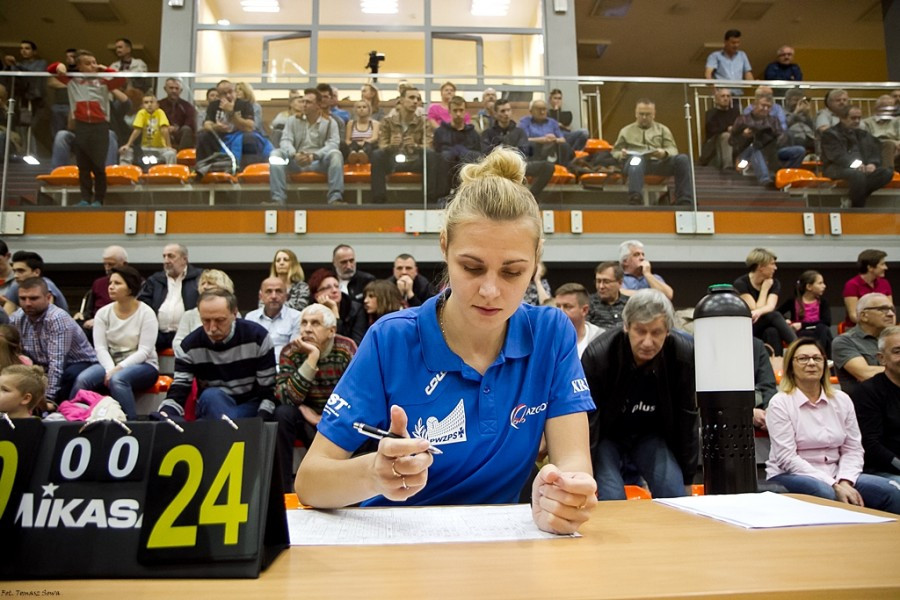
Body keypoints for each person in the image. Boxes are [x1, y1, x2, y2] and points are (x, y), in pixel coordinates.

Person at [294, 148, 598, 535]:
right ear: (444, 247)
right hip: (395, 547)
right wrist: (373, 473)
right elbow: (310, 481)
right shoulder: (392, 340)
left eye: (513, 272)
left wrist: (562, 495)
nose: (490, 290)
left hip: (496, 548)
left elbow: (574, 464)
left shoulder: (552, 333)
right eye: (471, 268)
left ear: (536, 260)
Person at [582, 289, 698, 500]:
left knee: (674, 492)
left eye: (656, 333)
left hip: (651, 435)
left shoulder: (683, 354)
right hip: (606, 435)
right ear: (626, 327)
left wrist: (688, 479)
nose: (647, 342)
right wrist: (585, 475)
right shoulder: (599, 354)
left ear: (668, 331)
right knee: (611, 497)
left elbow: (687, 418)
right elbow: (588, 420)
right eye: (640, 331)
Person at [766, 338, 900, 514]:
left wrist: (845, 480)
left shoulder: (841, 399)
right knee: (824, 492)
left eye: (817, 358)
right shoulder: (780, 403)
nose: (811, 363)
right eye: (803, 358)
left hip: (838, 473)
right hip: (792, 474)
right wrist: (833, 484)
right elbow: (787, 458)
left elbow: (853, 449)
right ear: (791, 366)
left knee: (892, 491)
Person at [274, 304, 358, 492]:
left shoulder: (346, 349)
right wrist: (312, 357)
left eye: (315, 323)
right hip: (305, 420)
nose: (307, 329)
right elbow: (286, 398)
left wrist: (329, 415)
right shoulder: (290, 351)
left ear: (331, 331)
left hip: (340, 418)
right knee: (283, 413)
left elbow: (356, 393)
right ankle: (284, 491)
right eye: (304, 323)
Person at [157, 290, 276, 421]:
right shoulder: (189, 346)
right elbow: (179, 389)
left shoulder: (258, 337)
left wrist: (260, 422)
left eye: (220, 320)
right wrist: (165, 412)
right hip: (213, 405)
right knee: (211, 396)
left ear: (235, 314)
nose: (212, 328)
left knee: (206, 420)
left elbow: (268, 392)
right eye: (206, 320)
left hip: (250, 407)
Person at [70, 266, 159, 419]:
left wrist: (117, 369)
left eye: (117, 283)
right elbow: (100, 348)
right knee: (82, 379)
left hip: (144, 365)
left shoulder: (147, 313)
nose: (111, 287)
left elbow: (144, 351)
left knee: (118, 380)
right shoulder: (103, 313)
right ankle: (73, 419)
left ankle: (131, 424)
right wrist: (110, 369)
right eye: (110, 283)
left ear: (130, 287)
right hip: (109, 363)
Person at [47, 50, 125, 207]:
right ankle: (84, 199)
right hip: (81, 126)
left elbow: (121, 79)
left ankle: (99, 200)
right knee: (83, 166)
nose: (93, 66)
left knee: (98, 167)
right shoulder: (72, 81)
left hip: (100, 126)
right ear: (80, 66)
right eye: (88, 64)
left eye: (94, 62)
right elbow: (51, 69)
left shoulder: (103, 81)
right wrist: (60, 65)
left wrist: (106, 69)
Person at [10, 277, 97, 406]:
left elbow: (57, 361)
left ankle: (61, 409)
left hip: (78, 362)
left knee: (68, 375)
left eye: (34, 298)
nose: (27, 303)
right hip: (42, 364)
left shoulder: (57, 318)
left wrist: (48, 400)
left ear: (48, 297)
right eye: (23, 298)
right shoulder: (17, 317)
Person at [269, 87, 344, 205]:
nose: (304, 105)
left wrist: (314, 156)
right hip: (296, 161)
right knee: (275, 154)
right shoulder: (292, 120)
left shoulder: (330, 122)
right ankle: (278, 198)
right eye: (303, 101)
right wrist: (294, 154)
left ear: (318, 105)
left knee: (336, 154)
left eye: (308, 102)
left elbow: (333, 144)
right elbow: (285, 141)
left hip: (318, 162)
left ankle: (335, 198)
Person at [612, 99, 694, 206]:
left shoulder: (663, 130)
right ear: (636, 114)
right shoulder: (626, 131)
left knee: (683, 159)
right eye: (641, 114)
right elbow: (615, 151)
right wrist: (621, 154)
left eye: (648, 114)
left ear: (654, 114)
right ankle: (635, 197)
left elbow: (673, 150)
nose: (644, 117)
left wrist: (664, 153)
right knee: (637, 160)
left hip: (658, 163)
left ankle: (685, 199)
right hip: (634, 164)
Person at [371, 86, 439, 204]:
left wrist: (416, 146)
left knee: (432, 156)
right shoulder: (388, 121)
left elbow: (428, 146)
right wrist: (391, 145)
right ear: (401, 100)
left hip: (415, 160)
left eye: (417, 99)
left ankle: (429, 200)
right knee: (377, 155)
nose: (415, 101)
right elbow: (382, 145)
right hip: (393, 160)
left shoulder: (423, 122)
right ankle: (379, 199)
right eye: (411, 97)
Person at [821, 105, 894, 209]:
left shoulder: (864, 134)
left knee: (887, 173)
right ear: (842, 118)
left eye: (859, 118)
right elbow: (837, 156)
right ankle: (857, 208)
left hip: (861, 167)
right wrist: (857, 165)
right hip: (835, 167)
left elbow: (874, 151)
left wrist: (872, 164)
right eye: (853, 118)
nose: (857, 121)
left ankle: (851, 199)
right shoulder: (830, 134)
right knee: (858, 175)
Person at [481, 98, 555, 200]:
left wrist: (502, 148)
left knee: (548, 166)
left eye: (508, 110)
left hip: (518, 165)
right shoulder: (488, 133)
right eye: (503, 111)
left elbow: (523, 151)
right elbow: (486, 154)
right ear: (496, 114)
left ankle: (530, 197)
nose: (506, 113)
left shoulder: (520, 132)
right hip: (497, 168)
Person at [852, 326, 900, 483]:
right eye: (897, 351)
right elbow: (871, 444)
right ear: (881, 358)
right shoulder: (867, 392)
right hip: (882, 470)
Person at [138, 243, 202, 350]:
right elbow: (142, 304)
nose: (166, 261)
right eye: (164, 256)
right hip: (159, 336)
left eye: (171, 256)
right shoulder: (155, 280)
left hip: (189, 334)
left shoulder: (199, 278)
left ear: (184, 259)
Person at [730, 93, 804, 186]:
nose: (765, 109)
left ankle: (784, 176)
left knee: (799, 150)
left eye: (768, 107)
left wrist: (777, 137)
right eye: (763, 105)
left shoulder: (773, 120)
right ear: (755, 105)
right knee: (755, 148)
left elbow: (781, 136)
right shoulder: (743, 119)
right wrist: (744, 136)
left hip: (771, 151)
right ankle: (765, 179)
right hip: (746, 155)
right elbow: (731, 141)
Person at [733, 247, 796, 355]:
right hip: (748, 325)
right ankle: (799, 346)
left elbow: (770, 306)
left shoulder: (774, 283)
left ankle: (775, 364)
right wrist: (764, 289)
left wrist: (759, 312)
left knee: (772, 332)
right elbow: (754, 309)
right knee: (774, 315)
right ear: (761, 267)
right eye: (772, 264)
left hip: (763, 323)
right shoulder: (741, 283)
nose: (775, 268)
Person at [832, 293, 895, 398]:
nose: (891, 314)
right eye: (883, 309)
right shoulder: (844, 341)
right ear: (864, 316)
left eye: (892, 309)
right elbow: (865, 373)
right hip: (866, 408)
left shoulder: (896, 338)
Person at [196, 79, 272, 166]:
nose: (228, 96)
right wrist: (216, 127)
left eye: (230, 92)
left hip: (240, 135)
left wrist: (231, 113)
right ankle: (205, 167)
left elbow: (250, 127)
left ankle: (242, 169)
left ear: (235, 92)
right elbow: (207, 124)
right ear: (219, 96)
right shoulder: (214, 105)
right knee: (203, 136)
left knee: (250, 138)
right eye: (224, 94)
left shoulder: (245, 104)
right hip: (221, 136)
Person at [433, 96, 483, 198]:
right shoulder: (440, 132)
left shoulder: (474, 134)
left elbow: (479, 156)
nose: (458, 114)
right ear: (449, 112)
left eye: (461, 110)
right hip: (445, 177)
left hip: (467, 181)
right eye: (455, 110)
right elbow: (436, 155)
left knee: (471, 156)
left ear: (465, 112)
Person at [172, 269, 234, 351]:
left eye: (210, 283)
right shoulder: (189, 315)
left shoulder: (232, 313)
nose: (204, 287)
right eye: (202, 283)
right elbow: (177, 344)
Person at [244, 276, 302, 362]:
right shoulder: (250, 318)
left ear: (286, 296)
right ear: (261, 296)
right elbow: (248, 350)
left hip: (284, 368)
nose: (274, 296)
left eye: (278, 291)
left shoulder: (297, 317)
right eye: (269, 291)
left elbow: (294, 351)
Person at [74, 245, 128, 335]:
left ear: (124, 264)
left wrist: (100, 322)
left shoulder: (135, 283)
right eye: (105, 264)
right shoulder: (98, 283)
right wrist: (82, 316)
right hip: (93, 325)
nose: (107, 268)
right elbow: (89, 311)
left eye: (111, 264)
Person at [308, 268, 367, 347]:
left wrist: (334, 311)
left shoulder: (355, 309)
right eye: (328, 288)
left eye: (337, 286)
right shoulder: (310, 313)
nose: (334, 290)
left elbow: (355, 345)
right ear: (317, 295)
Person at [779, 270, 833, 355]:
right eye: (820, 283)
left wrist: (803, 325)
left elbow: (826, 321)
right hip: (801, 332)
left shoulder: (823, 302)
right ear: (809, 287)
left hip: (818, 330)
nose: (824, 286)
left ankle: (821, 355)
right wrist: (787, 321)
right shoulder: (793, 300)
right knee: (805, 334)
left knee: (823, 329)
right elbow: (778, 313)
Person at [118, 91, 177, 166]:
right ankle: (125, 174)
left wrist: (169, 146)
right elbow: (137, 130)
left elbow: (164, 130)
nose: (149, 104)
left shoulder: (160, 113)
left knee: (171, 154)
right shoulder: (141, 113)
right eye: (146, 102)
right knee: (126, 152)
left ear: (157, 105)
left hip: (160, 148)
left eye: (152, 102)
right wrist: (128, 145)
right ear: (142, 106)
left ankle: (169, 175)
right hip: (144, 149)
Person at [3, 250, 69, 314]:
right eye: (14, 271)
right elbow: (6, 316)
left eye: (21, 271)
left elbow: (47, 317)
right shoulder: (16, 285)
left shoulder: (46, 285)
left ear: (36, 272)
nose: (16, 276)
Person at [843, 249, 892, 328]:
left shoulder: (885, 283)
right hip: (858, 329)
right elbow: (853, 315)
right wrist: (874, 323)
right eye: (882, 264)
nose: (886, 268)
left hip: (882, 327)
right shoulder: (852, 285)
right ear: (870, 268)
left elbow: (890, 309)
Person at [555, 283, 603, 358]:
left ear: (584, 310)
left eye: (567, 307)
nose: (560, 312)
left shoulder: (600, 339)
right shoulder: (548, 338)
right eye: (558, 306)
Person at [519, 99, 573, 165]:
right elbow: (523, 139)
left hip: (552, 149)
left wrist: (554, 139)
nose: (542, 112)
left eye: (544, 109)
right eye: (539, 109)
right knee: (530, 145)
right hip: (535, 150)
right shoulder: (525, 121)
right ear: (531, 111)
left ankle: (565, 168)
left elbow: (562, 139)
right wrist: (542, 139)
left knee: (564, 146)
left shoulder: (553, 122)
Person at [699, 88, 740, 170]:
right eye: (723, 96)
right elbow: (712, 130)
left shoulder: (735, 112)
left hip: (733, 139)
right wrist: (727, 128)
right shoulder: (711, 113)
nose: (725, 98)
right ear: (717, 99)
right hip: (715, 141)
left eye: (728, 96)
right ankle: (728, 167)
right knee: (726, 136)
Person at [704, 29, 754, 94]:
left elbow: (748, 73)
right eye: (733, 43)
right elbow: (708, 74)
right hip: (722, 95)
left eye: (738, 42)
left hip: (737, 95)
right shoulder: (715, 56)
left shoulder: (742, 55)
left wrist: (754, 84)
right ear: (725, 42)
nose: (736, 45)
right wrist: (715, 92)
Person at [587, 261, 628, 330]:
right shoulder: (588, 303)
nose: (601, 286)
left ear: (620, 283)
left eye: (606, 282)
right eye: (598, 281)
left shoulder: (629, 304)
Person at [158, 77, 197, 150]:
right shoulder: (159, 105)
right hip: (163, 132)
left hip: (180, 134)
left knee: (186, 129)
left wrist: (176, 129)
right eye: (171, 88)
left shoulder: (187, 106)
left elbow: (190, 123)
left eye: (176, 88)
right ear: (165, 89)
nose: (174, 91)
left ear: (181, 90)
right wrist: (166, 127)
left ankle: (181, 156)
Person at [344, 99, 379, 164]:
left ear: (369, 110)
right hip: (354, 145)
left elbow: (374, 138)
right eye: (359, 107)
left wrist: (364, 142)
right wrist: (356, 144)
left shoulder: (374, 123)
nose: (361, 109)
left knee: (369, 145)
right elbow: (347, 140)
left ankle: (363, 157)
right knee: (352, 145)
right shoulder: (351, 123)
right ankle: (352, 157)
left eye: (364, 107)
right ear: (355, 110)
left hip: (368, 146)